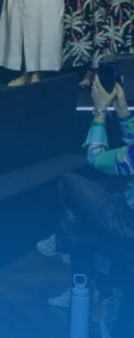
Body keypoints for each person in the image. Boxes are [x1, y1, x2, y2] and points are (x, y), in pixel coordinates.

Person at [47, 76, 134, 327]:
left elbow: (95, 157)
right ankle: (83, 285)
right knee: (73, 216)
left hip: (126, 224)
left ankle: (65, 251)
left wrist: (99, 112)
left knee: (68, 182)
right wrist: (123, 114)